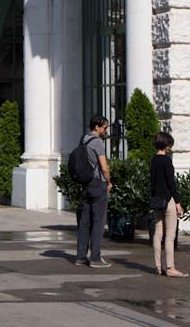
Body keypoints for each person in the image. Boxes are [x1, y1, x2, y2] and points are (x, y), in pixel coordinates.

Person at [75, 115, 112, 268]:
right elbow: (104, 167)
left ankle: (81, 257)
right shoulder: (97, 142)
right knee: (98, 222)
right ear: (96, 127)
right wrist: (109, 182)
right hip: (98, 184)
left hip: (86, 184)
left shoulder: (84, 139)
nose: (106, 130)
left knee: (85, 221)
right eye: (104, 127)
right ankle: (95, 258)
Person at [150, 131, 188, 277]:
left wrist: (152, 198)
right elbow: (171, 183)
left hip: (156, 201)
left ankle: (158, 267)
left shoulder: (153, 159)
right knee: (170, 236)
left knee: (157, 233)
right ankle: (170, 267)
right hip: (168, 201)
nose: (170, 147)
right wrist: (178, 202)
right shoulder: (166, 160)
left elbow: (152, 182)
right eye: (169, 144)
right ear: (166, 144)